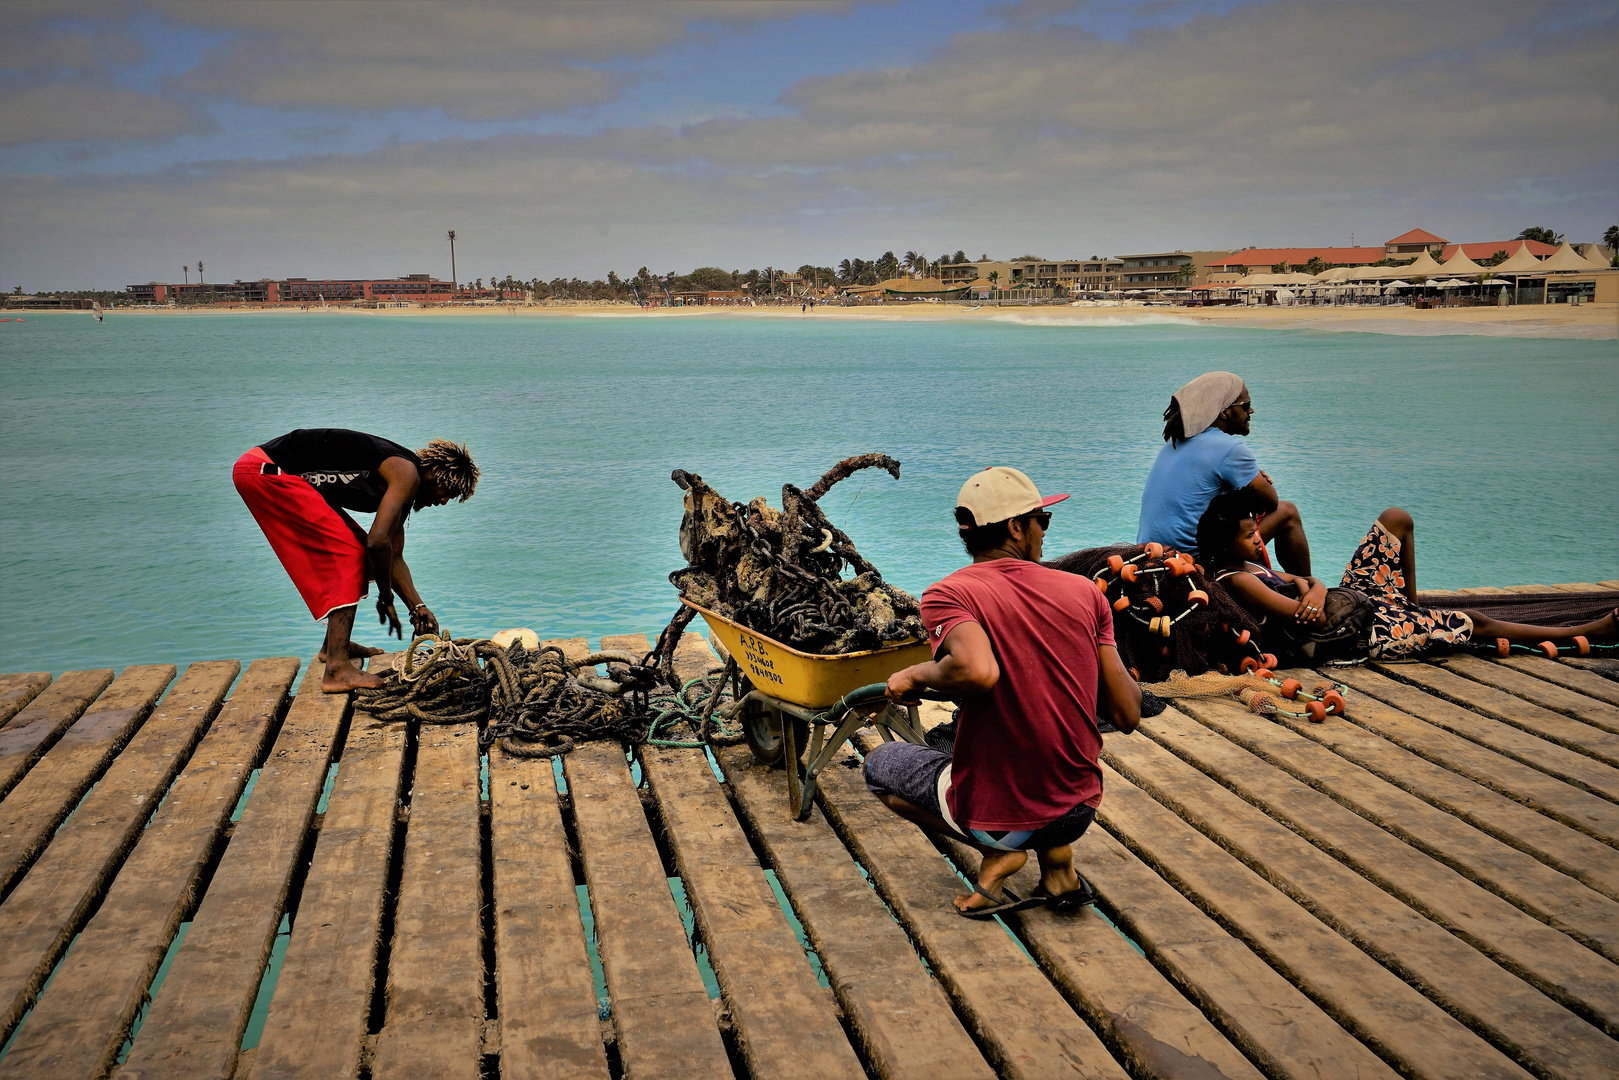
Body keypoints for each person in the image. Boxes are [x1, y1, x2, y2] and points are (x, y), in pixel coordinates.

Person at [863, 467, 1141, 918]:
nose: (1045, 532)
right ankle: (1056, 863)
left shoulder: (949, 594)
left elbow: (976, 671)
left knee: (880, 766)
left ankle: (999, 853)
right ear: (1016, 527)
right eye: (1042, 520)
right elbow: (1128, 714)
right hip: (1078, 809)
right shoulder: (1085, 593)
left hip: (1001, 821)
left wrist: (914, 675)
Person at [1197, 494, 1617, 660]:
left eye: (1256, 531)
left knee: (1395, 520)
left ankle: (1412, 611)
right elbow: (1308, 616)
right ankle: (1583, 629)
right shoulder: (1236, 579)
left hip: (1348, 603)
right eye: (1250, 535)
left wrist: (1315, 585)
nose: (1259, 540)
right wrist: (1310, 587)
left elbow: (1303, 585)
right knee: (1476, 621)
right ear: (1225, 545)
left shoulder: (1250, 565)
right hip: (1357, 633)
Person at [233, 428, 480, 692]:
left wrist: (417, 607)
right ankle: (337, 670)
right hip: (264, 470)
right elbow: (377, 543)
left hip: (267, 470)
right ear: (435, 473)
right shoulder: (407, 474)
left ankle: (333, 647)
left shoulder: (405, 485)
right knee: (348, 555)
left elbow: (392, 555)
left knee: (355, 550)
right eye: (447, 491)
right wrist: (386, 598)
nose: (443, 501)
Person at [1137, 371, 1310, 574]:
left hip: (1150, 554)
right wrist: (1254, 481)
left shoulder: (1173, 444)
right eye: (1245, 405)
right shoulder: (1229, 449)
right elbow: (1270, 502)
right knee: (1287, 511)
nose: (1251, 411)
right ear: (1225, 412)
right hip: (1193, 559)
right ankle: (1307, 586)